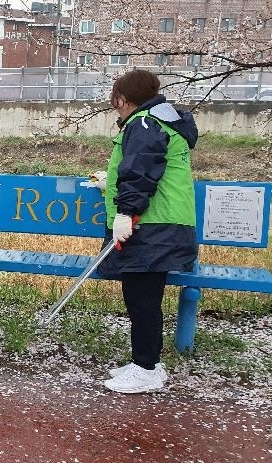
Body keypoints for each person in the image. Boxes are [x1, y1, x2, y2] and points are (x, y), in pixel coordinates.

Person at [99, 69, 198, 394]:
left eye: (117, 102)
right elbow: (144, 167)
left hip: (152, 224)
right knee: (144, 296)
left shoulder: (144, 123)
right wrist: (111, 183)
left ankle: (146, 368)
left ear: (124, 99)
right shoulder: (164, 120)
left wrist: (126, 212)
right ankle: (147, 361)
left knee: (141, 298)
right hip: (166, 223)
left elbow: (140, 173)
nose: (117, 108)